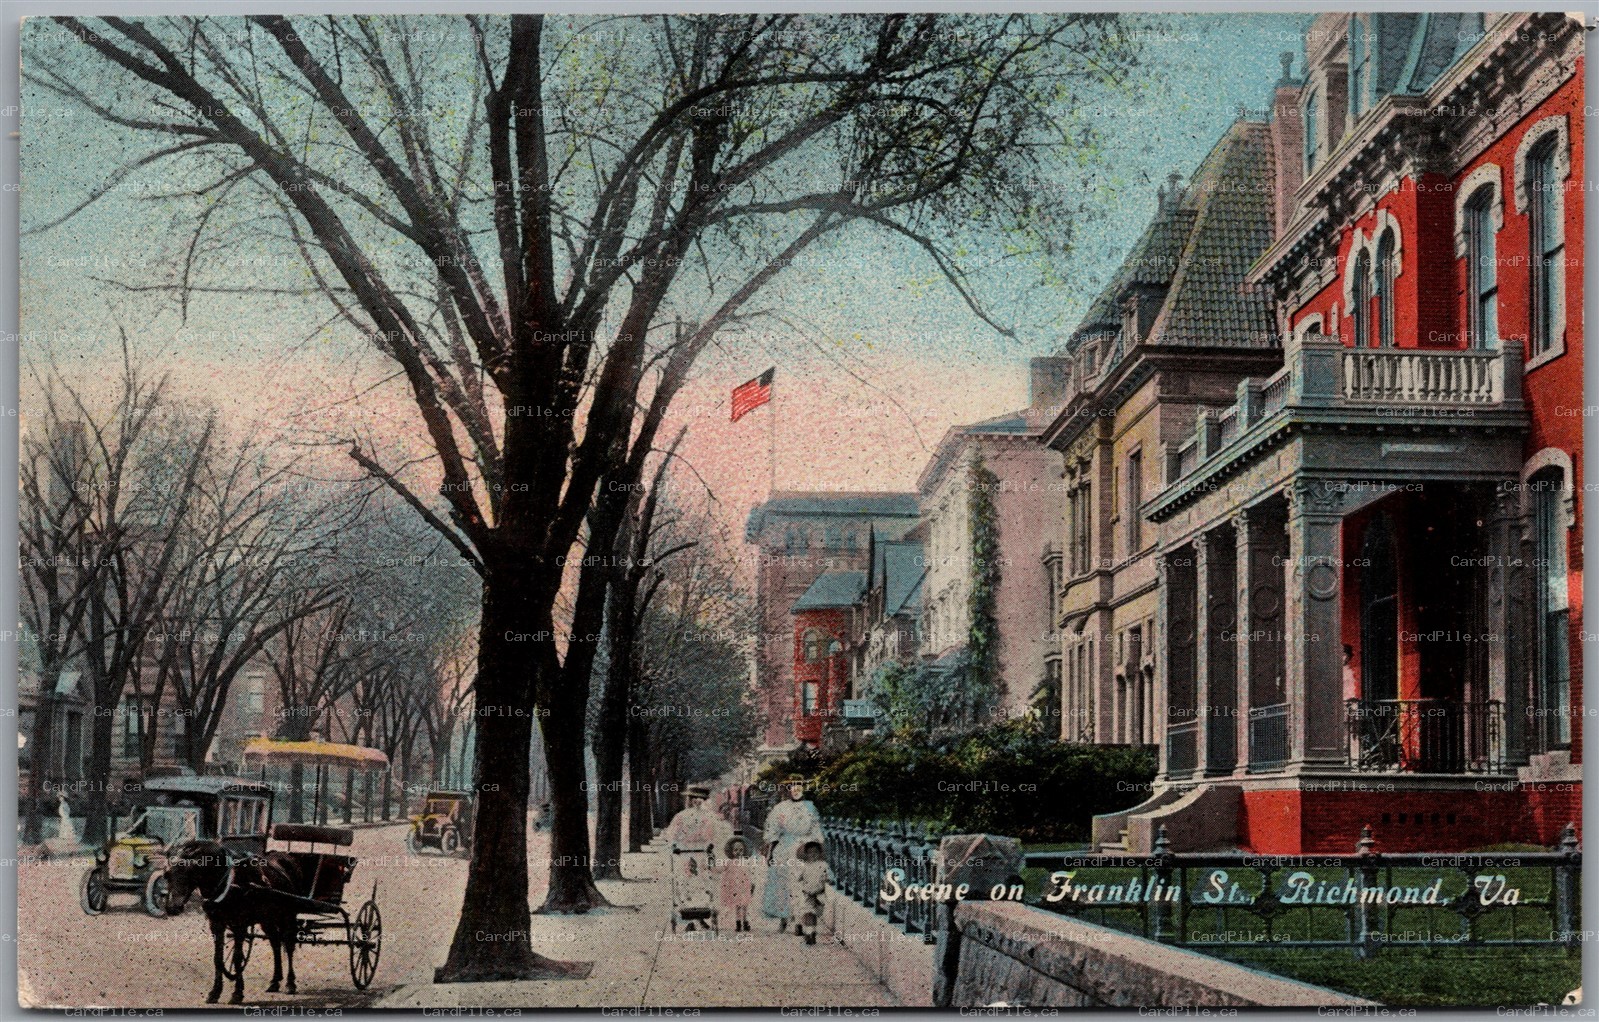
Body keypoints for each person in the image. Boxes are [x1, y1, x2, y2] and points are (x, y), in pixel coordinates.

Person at [761, 775, 823, 933]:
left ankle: (799, 922)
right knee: (783, 883)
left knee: (802, 884)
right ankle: (784, 918)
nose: (796, 790)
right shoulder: (780, 808)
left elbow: (816, 830)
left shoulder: (810, 807)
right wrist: (770, 852)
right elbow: (773, 832)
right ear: (788, 790)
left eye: (799, 786)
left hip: (804, 848)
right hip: (784, 848)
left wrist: (817, 848)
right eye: (792, 786)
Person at [790, 839, 828, 945]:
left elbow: (828, 876)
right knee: (808, 913)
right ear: (806, 854)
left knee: (815, 914)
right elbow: (798, 877)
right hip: (807, 894)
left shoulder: (823, 865)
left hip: (819, 894)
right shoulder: (804, 866)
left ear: (819, 853)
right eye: (810, 852)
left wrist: (826, 878)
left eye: (815, 852)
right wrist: (798, 875)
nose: (813, 854)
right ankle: (809, 933)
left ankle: (812, 931)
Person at [717, 837, 756, 932]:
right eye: (735, 850)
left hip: (745, 887)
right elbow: (720, 869)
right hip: (735, 888)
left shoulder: (746, 862)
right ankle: (738, 924)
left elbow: (751, 873)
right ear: (732, 851)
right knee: (738, 906)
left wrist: (752, 884)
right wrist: (711, 867)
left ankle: (745, 922)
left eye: (741, 850)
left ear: (744, 851)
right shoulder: (729, 862)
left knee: (745, 906)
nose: (738, 852)